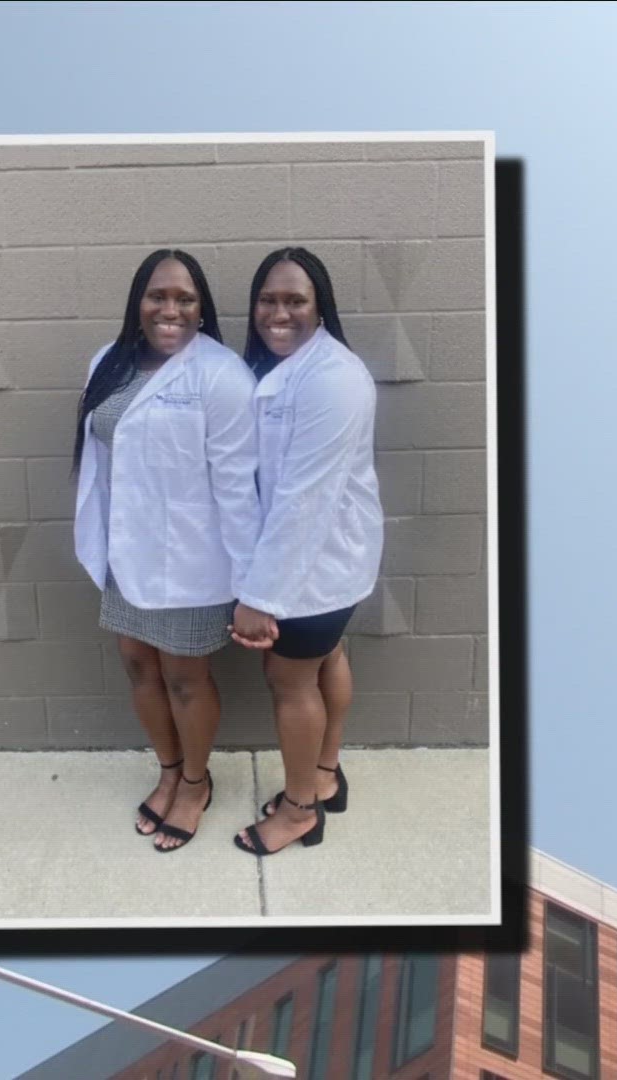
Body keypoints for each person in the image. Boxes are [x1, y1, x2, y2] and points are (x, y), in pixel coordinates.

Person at [71, 248, 259, 853]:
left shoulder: (221, 374)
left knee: (184, 675)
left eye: (185, 299)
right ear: (138, 302)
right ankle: (170, 769)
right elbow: (101, 463)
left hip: (192, 562)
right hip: (125, 552)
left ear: (202, 309)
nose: (169, 309)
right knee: (138, 666)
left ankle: (197, 783)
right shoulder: (109, 362)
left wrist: (254, 583)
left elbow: (237, 483)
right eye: (158, 296)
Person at [228, 247, 384, 857]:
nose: (279, 312)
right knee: (326, 660)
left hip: (314, 565)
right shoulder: (289, 369)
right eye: (268, 299)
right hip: (329, 562)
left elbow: (303, 499)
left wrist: (260, 598)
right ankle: (324, 773)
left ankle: (298, 812)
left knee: (288, 677)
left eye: (295, 300)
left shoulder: (333, 378)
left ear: (320, 308)